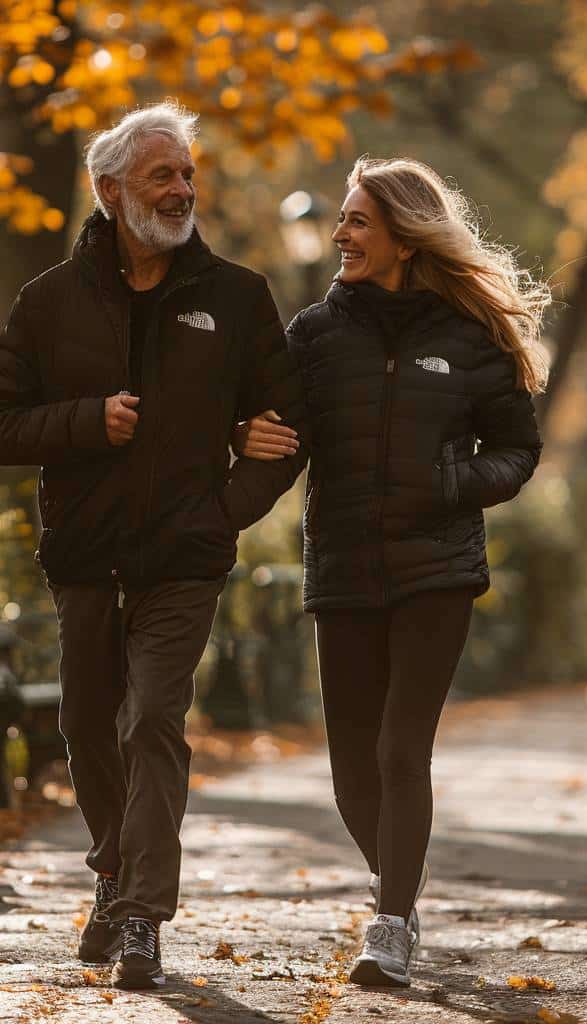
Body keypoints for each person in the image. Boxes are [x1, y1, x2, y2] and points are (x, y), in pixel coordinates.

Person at [0, 103, 306, 990]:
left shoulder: (237, 297)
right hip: (85, 552)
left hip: (184, 557)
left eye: (187, 173)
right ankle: (113, 876)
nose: (183, 189)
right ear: (112, 190)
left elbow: (285, 427)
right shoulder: (48, 301)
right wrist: (88, 422)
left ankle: (141, 918)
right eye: (163, 175)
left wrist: (223, 510)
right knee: (87, 725)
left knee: (153, 717)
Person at [235, 156, 549, 987]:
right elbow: (280, 439)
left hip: (437, 570)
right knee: (349, 773)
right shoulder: (313, 336)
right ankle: (402, 891)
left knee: (401, 752)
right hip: (342, 567)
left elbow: (520, 449)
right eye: (340, 221)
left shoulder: (469, 337)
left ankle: (386, 924)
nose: (341, 235)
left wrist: (456, 482)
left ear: (404, 238)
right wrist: (241, 449)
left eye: (357, 222)